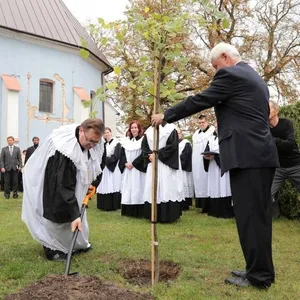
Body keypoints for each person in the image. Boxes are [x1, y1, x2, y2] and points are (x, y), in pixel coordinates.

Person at [151, 42, 279, 288]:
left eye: (215, 66)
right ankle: (258, 269)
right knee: (257, 218)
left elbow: (201, 100)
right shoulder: (255, 77)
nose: (215, 72)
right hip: (258, 155)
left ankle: (260, 277)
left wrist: (165, 115)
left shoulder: (231, 74)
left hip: (248, 157)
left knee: (251, 217)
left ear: (225, 58)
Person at [22, 119, 105, 261]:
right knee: (59, 213)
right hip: (54, 182)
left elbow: (96, 163)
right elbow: (64, 185)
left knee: (76, 214)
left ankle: (75, 245)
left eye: (95, 142)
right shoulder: (65, 149)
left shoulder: (94, 142)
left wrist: (91, 184)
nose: (91, 146)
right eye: (89, 141)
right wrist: (74, 214)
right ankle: (52, 248)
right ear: (81, 131)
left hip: (71, 182)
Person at [142, 122, 184, 223]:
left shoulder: (171, 129)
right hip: (152, 163)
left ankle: (167, 216)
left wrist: (157, 154)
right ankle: (153, 215)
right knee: (153, 187)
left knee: (166, 187)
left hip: (166, 164)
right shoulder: (149, 131)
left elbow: (172, 146)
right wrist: (149, 155)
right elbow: (144, 146)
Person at [269, 100, 300, 217]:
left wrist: (275, 141)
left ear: (276, 110)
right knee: (268, 194)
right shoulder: (265, 128)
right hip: (278, 168)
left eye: (268, 108)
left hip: (296, 165)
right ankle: (267, 219)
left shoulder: (286, 123)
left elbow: (291, 144)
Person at [202, 123, 233, 218]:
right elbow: (206, 150)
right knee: (214, 186)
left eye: (218, 126)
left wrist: (215, 156)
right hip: (212, 166)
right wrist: (206, 156)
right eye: (215, 127)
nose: (217, 128)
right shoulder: (211, 139)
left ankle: (224, 212)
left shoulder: (228, 138)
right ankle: (214, 211)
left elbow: (229, 152)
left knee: (224, 186)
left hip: (223, 166)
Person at [119, 120, 146, 218]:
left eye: (135, 127)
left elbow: (144, 153)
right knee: (128, 189)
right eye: (132, 127)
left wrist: (134, 163)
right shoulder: (126, 141)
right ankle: (128, 211)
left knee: (138, 188)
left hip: (137, 169)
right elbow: (121, 155)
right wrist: (125, 163)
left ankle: (139, 212)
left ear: (139, 129)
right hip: (128, 169)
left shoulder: (143, 139)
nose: (134, 129)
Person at [192, 115, 215, 212]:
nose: (201, 124)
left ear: (207, 122)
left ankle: (209, 205)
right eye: (199, 122)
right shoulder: (196, 133)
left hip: (207, 160)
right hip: (196, 162)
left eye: (203, 122)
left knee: (207, 181)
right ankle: (201, 205)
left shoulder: (212, 132)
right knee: (199, 181)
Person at [96, 127, 122, 211]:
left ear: (111, 133)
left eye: (108, 132)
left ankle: (113, 205)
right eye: (105, 133)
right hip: (105, 168)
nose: (106, 134)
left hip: (113, 167)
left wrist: (105, 160)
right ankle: (104, 205)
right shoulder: (103, 144)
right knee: (104, 184)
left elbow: (116, 156)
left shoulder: (116, 143)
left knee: (113, 184)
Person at [177, 128, 194, 210]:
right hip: (176, 168)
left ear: (182, 134)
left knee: (184, 184)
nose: (177, 135)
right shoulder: (173, 144)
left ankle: (185, 204)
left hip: (183, 168)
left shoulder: (186, 143)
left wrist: (177, 161)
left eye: (179, 133)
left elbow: (186, 155)